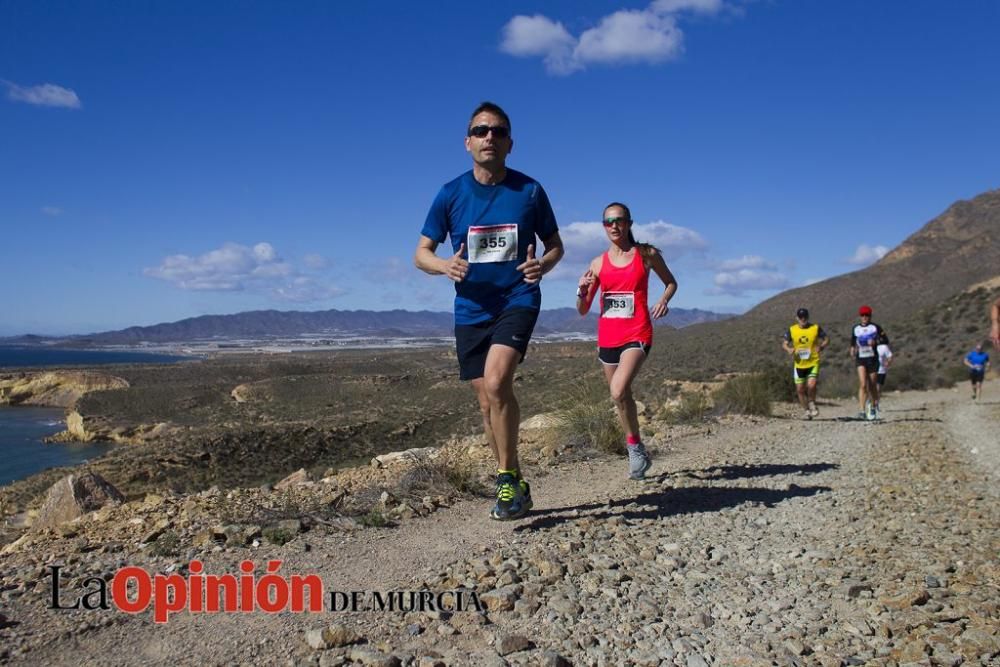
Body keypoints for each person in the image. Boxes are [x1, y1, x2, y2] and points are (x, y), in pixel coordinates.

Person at [414, 102, 564, 521]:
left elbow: (555, 246)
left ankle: (503, 479)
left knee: (498, 383)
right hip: (470, 308)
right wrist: (444, 265)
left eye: (498, 132)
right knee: (485, 401)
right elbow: (421, 253)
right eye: (481, 131)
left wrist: (543, 265)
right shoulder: (450, 194)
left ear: (510, 143)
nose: (489, 138)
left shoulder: (530, 191)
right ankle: (513, 477)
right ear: (467, 142)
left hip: (517, 298)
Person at [577, 202, 677, 480]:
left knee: (619, 390)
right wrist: (581, 289)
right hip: (608, 336)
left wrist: (663, 300)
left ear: (629, 223)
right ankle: (637, 446)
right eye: (608, 221)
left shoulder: (646, 254)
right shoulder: (597, 263)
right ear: (603, 226)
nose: (614, 225)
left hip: (637, 332)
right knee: (622, 398)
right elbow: (583, 309)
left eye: (619, 220)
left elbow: (670, 282)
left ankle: (633, 449)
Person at [781, 308, 829, 420]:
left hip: (813, 361)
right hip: (799, 364)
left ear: (808, 317)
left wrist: (821, 346)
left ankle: (812, 402)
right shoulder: (792, 330)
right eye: (801, 317)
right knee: (800, 389)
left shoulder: (815, 328)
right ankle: (807, 410)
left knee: (811, 385)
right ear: (797, 318)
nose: (803, 319)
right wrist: (789, 349)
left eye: (805, 317)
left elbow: (827, 339)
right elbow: (784, 344)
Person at [850, 305, 887, 421]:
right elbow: (853, 341)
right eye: (863, 315)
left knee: (872, 385)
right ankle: (861, 411)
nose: (865, 317)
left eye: (867, 315)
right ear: (860, 316)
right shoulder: (856, 328)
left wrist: (875, 341)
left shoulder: (876, 327)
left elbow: (885, 340)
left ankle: (873, 405)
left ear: (870, 316)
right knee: (862, 384)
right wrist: (852, 349)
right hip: (861, 358)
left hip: (872, 359)